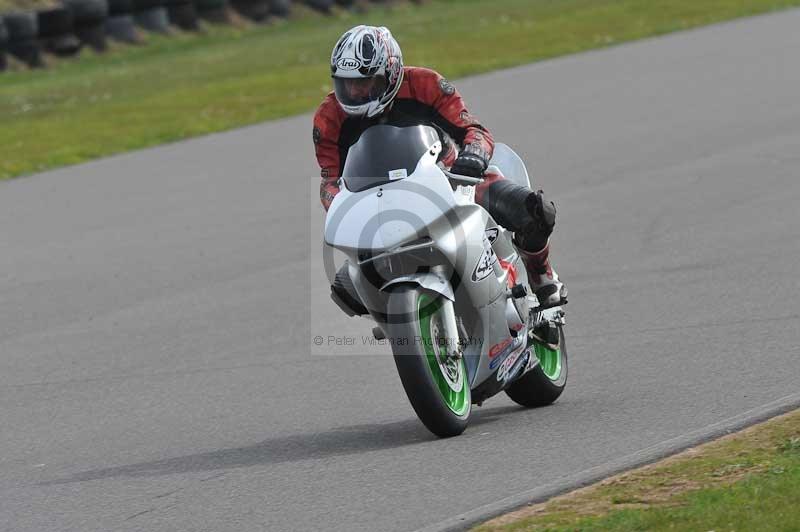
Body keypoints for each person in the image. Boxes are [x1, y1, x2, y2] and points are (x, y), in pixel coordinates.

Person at [313, 25, 566, 306]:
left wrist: (475, 154)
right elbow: (330, 180)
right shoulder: (329, 118)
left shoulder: (425, 84)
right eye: (345, 83)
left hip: (449, 179)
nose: (354, 92)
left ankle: (540, 274)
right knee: (346, 287)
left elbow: (473, 129)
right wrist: (341, 204)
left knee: (534, 210)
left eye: (364, 82)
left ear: (391, 73)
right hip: (378, 202)